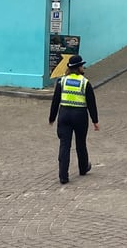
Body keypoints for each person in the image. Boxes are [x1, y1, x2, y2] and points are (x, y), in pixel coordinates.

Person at [49, 54, 100, 184]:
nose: (83, 67)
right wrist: (95, 121)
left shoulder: (62, 81)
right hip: (80, 115)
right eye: (82, 65)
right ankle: (83, 167)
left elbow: (55, 101)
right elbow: (91, 103)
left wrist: (52, 117)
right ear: (78, 68)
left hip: (64, 114)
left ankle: (63, 176)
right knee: (80, 143)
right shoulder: (85, 82)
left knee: (65, 145)